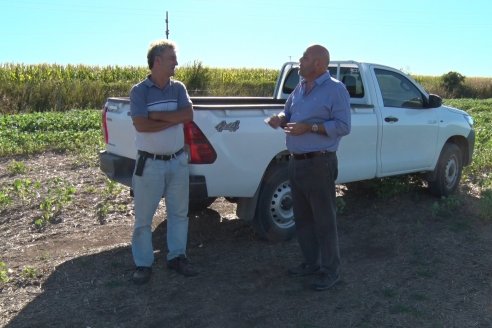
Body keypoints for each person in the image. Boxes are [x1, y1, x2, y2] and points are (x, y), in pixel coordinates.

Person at [266, 44, 351, 291]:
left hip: (319, 163)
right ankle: (311, 263)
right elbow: (288, 113)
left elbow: (344, 126)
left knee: (324, 220)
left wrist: (311, 128)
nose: (299, 61)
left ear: (318, 64)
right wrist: (279, 120)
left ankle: (330, 271)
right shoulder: (300, 89)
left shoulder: (336, 90)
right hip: (296, 162)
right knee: (303, 219)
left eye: (305, 57)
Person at [129, 39, 197, 285]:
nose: (176, 63)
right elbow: (141, 124)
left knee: (179, 214)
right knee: (143, 219)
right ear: (157, 61)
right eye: (172, 58)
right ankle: (143, 264)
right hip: (150, 165)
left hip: (178, 162)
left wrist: (156, 115)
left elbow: (188, 115)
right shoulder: (140, 91)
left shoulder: (178, 88)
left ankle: (177, 257)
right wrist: (172, 118)